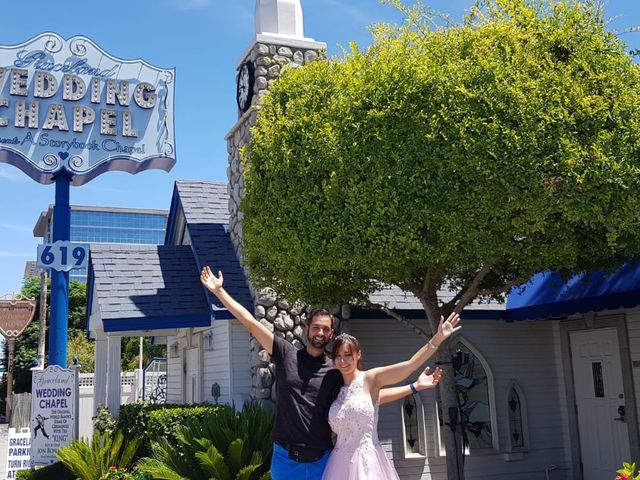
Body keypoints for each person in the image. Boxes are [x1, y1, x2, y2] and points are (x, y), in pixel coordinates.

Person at [200, 266, 442, 480]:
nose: (320, 332)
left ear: (330, 334)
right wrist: (220, 292)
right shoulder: (285, 353)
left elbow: (369, 398)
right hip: (286, 460)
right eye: (316, 327)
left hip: (324, 462)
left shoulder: (335, 369)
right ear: (307, 329)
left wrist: (414, 387)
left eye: (325, 329)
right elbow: (251, 323)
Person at [322, 314, 461, 480]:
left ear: (358, 355)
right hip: (338, 466)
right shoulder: (335, 389)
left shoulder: (370, 378)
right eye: (337, 356)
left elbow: (408, 366)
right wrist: (414, 387)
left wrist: (437, 339)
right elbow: (378, 399)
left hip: (366, 463)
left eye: (347, 355)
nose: (342, 361)